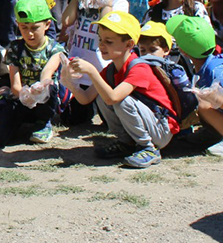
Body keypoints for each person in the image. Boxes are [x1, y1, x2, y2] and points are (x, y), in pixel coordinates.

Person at [64, 11, 178, 168]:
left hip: (161, 131)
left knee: (121, 100)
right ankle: (126, 143)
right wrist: (70, 83)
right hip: (149, 125)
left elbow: (113, 98)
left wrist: (91, 71)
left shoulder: (139, 68)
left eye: (109, 41)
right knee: (102, 95)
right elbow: (86, 98)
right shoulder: (111, 69)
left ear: (129, 44)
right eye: (100, 39)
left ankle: (148, 148)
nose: (101, 45)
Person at [167, 15, 223, 157]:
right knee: (199, 101)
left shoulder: (217, 70)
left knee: (203, 105)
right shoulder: (203, 66)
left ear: (184, 51)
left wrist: (214, 99)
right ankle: (214, 132)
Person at [0, 0, 65, 147]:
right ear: (18, 25)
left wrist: (39, 89)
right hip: (21, 99)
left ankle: (43, 122)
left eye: (35, 28)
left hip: (44, 99)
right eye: (24, 28)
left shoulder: (55, 49)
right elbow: (15, 84)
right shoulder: (15, 48)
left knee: (50, 88)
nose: (30, 34)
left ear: (47, 24)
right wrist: (24, 94)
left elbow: (47, 73)